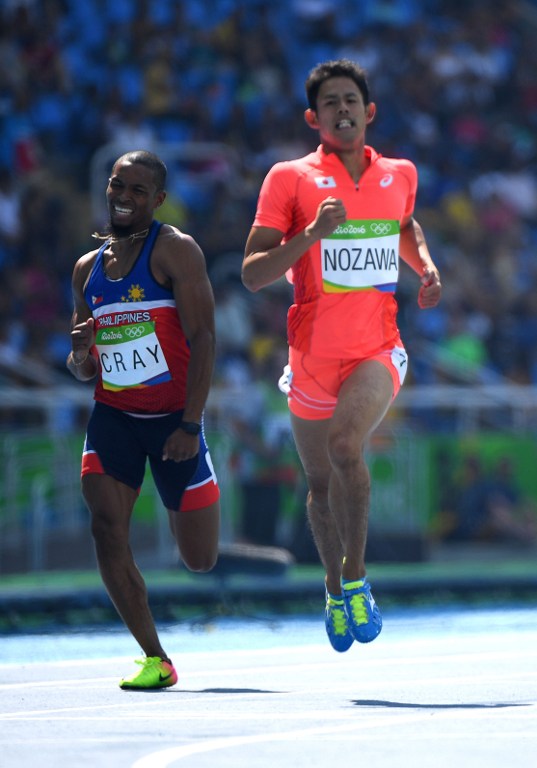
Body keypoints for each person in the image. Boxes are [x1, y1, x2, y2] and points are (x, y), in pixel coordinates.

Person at [242, 59, 442, 652]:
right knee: (320, 482)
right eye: (330, 103)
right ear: (314, 117)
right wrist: (308, 237)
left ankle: (356, 578)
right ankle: (333, 586)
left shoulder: (400, 172)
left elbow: (406, 226)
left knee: (345, 445)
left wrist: (426, 266)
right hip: (309, 357)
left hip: (377, 350)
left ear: (369, 110)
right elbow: (253, 273)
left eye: (351, 99)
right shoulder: (289, 178)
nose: (343, 109)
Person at [67, 150, 219, 689]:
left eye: (137, 190)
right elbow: (84, 367)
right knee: (106, 528)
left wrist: (190, 424)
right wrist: (84, 353)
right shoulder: (88, 270)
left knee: (199, 559)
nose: (123, 197)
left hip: (174, 420)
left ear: (157, 200)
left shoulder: (175, 251)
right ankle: (156, 657)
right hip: (115, 417)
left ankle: (201, 474)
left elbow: (203, 338)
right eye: (116, 186)